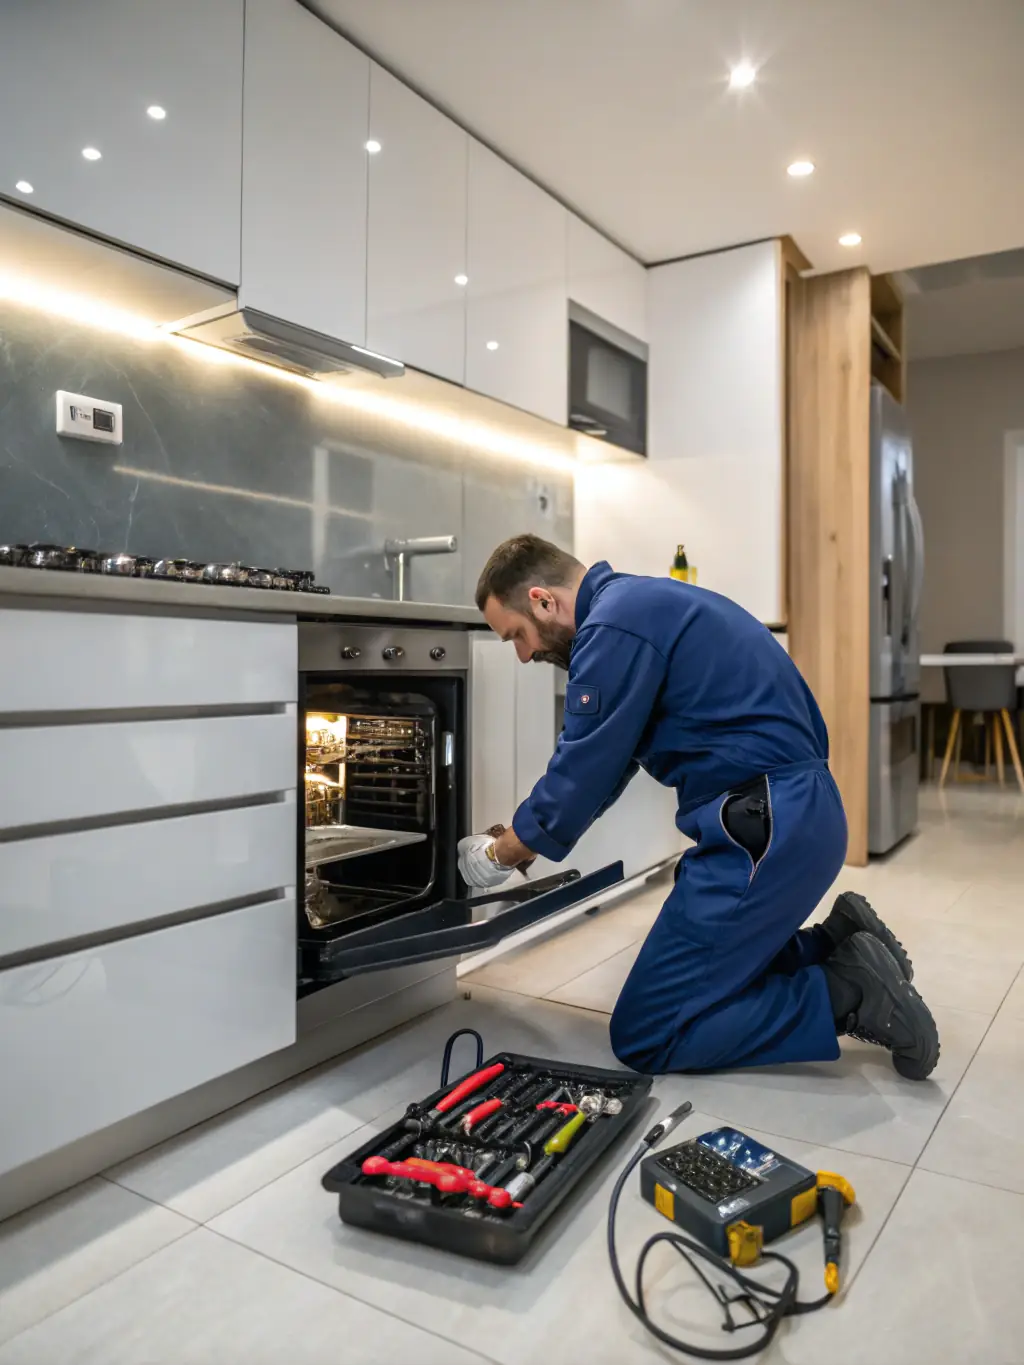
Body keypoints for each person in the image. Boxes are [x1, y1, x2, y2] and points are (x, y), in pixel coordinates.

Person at [458, 535, 939, 1080]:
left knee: (648, 1032)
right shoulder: (639, 606)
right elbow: (609, 767)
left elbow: (581, 768)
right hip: (791, 816)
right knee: (707, 975)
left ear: (544, 600)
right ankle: (835, 942)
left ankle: (849, 991)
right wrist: (529, 841)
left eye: (516, 635)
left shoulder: (611, 629)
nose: (524, 655)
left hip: (764, 831)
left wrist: (498, 852)